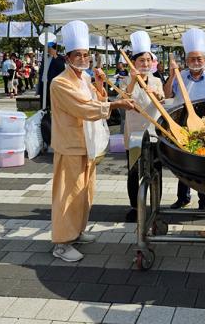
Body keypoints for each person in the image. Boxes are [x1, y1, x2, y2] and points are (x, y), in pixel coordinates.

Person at [49, 20, 135, 262]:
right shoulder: (60, 83)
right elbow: (84, 108)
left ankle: (77, 231)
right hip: (70, 144)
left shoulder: (85, 78)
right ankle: (61, 242)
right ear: (68, 57)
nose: (83, 58)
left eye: (86, 54)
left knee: (85, 192)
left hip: (88, 142)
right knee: (68, 193)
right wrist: (117, 104)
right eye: (78, 54)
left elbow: (96, 98)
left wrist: (98, 83)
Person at [163, 28, 205, 210]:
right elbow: (167, 93)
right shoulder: (180, 77)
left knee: (203, 164)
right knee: (183, 163)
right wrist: (173, 74)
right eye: (192, 59)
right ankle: (183, 198)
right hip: (181, 124)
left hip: (204, 125)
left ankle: (204, 201)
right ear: (186, 61)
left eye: (199, 59)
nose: (196, 62)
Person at [121, 31, 165, 223]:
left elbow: (162, 99)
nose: (145, 64)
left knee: (156, 171)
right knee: (134, 172)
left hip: (153, 133)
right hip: (134, 134)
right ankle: (134, 206)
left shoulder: (156, 80)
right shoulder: (125, 80)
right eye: (141, 61)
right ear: (134, 62)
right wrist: (132, 80)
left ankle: (156, 205)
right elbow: (123, 100)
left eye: (148, 60)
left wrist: (158, 94)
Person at [39, 42, 66, 108]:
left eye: (49, 48)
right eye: (47, 48)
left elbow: (61, 68)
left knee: (52, 104)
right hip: (43, 83)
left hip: (52, 84)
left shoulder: (60, 58)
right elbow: (41, 70)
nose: (48, 50)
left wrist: (55, 56)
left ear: (54, 49)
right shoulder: (45, 57)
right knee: (43, 104)